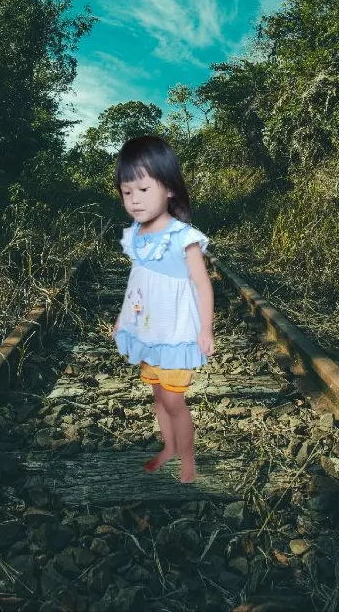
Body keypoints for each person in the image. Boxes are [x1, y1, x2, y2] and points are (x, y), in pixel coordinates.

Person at [111, 134, 214, 484]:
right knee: (158, 396)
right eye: (127, 192)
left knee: (174, 402)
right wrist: (122, 319)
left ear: (169, 188)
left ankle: (187, 460)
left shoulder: (184, 236)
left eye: (143, 190)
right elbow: (136, 283)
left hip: (176, 334)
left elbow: (202, 284)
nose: (135, 200)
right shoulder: (137, 235)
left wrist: (205, 329)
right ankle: (168, 447)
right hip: (149, 334)